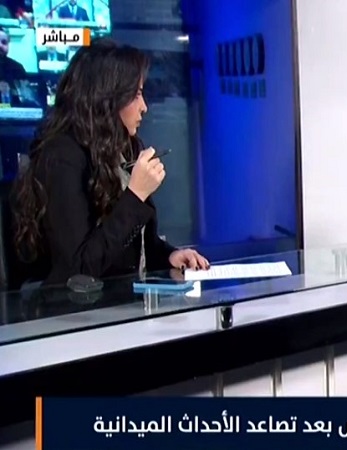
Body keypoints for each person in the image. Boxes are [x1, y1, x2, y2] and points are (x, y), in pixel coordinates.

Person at [10, 38, 209, 286]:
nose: (144, 107)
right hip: (79, 308)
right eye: (136, 95)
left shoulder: (122, 148)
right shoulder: (62, 156)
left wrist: (167, 256)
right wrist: (135, 195)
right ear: (107, 98)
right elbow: (77, 271)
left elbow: (128, 246)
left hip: (126, 301)